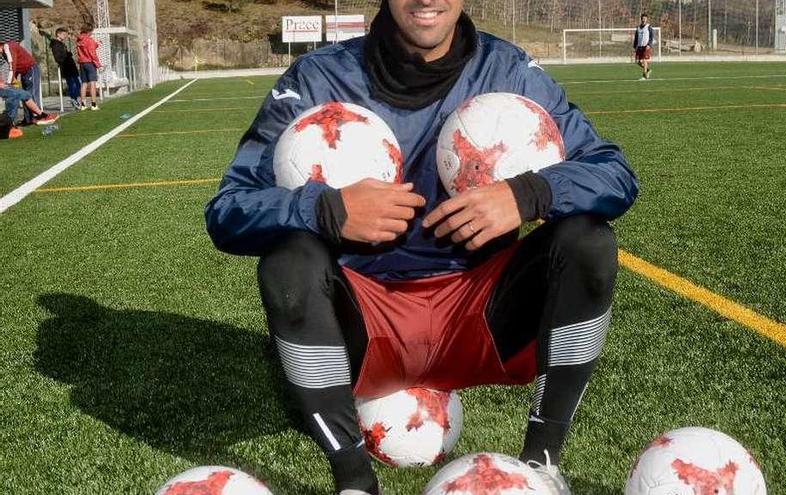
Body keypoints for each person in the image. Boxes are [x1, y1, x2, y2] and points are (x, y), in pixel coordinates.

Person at [205, 1, 638, 494]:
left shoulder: (509, 71)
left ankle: (542, 461)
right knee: (288, 263)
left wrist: (528, 193)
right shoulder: (319, 78)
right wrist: (325, 209)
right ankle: (353, 480)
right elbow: (229, 209)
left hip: (481, 317)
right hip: (363, 322)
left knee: (587, 241)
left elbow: (614, 173)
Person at [0, 40, 42, 125]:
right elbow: (14, 65)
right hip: (23, 72)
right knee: (24, 94)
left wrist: (8, 84)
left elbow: (12, 66)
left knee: (31, 94)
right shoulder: (4, 51)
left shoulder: (8, 47)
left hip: (31, 69)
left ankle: (38, 117)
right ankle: (28, 119)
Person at [50, 27, 83, 110]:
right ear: (58, 34)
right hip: (66, 67)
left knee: (78, 84)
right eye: (64, 34)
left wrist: (69, 55)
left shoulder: (61, 44)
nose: (65, 36)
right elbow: (58, 58)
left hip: (71, 67)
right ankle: (74, 100)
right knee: (72, 85)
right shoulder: (56, 44)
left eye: (66, 34)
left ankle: (76, 99)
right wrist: (68, 56)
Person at [76, 25, 101, 111]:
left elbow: (87, 48)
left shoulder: (79, 39)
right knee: (92, 83)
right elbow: (92, 52)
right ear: (89, 31)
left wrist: (96, 44)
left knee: (84, 83)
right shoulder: (89, 40)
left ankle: (83, 104)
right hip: (89, 63)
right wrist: (98, 64)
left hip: (82, 63)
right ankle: (93, 104)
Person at [633, 14, 655, 80]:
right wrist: (635, 46)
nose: (643, 20)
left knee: (645, 60)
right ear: (641, 19)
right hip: (639, 46)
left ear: (647, 19)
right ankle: (648, 70)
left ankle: (644, 76)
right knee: (638, 61)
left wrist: (649, 44)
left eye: (645, 18)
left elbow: (651, 36)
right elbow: (636, 37)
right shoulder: (638, 28)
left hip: (646, 46)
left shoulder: (649, 27)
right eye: (643, 18)